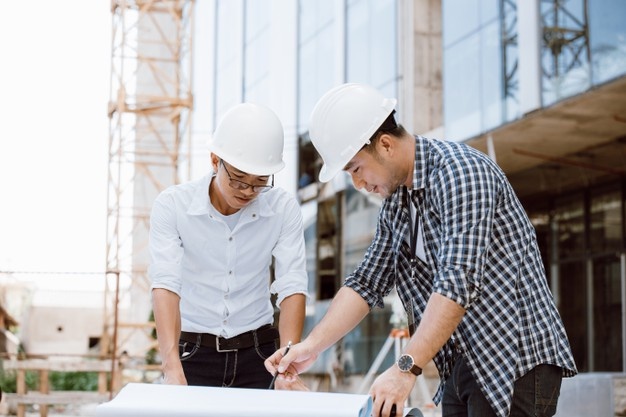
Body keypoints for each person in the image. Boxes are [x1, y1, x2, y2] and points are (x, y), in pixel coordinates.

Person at [265, 83, 577, 416]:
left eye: (356, 169)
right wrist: (311, 346)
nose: (358, 184)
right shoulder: (397, 205)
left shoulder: (461, 174)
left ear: (385, 144)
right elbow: (366, 283)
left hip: (515, 359)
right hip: (462, 361)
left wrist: (404, 369)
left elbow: (458, 282)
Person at [149, 102, 308, 390]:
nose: (248, 191)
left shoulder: (283, 209)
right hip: (193, 351)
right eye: (238, 179)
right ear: (214, 161)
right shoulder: (173, 206)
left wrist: (287, 361)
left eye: (260, 182)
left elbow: (292, 285)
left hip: (261, 353)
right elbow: (166, 285)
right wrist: (171, 366)